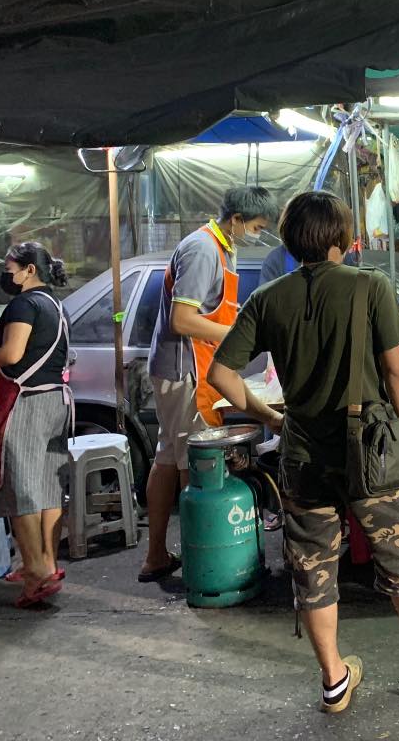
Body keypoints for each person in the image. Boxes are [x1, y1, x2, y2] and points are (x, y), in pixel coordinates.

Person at [207, 191, 399, 713]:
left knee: (314, 568)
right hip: (373, 452)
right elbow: (396, 371)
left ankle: (335, 681)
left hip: (303, 457)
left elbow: (220, 373)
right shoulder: (370, 286)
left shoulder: (269, 297)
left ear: (292, 240)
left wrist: (267, 415)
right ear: (342, 237)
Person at [140, 185, 277, 583]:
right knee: (192, 465)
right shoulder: (203, 249)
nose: (256, 233)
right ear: (235, 219)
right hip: (187, 371)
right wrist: (236, 334)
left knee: (168, 457)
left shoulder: (219, 247)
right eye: (255, 226)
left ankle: (156, 557)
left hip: (185, 368)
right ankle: (201, 563)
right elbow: (182, 321)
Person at [0, 243, 71, 608]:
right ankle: (47, 562)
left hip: (26, 402)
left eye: (10, 267)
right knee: (47, 485)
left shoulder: (23, 304)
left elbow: (12, 355)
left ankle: (34, 574)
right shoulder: (53, 304)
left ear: (29, 270)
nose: (5, 273)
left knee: (21, 489)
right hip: (55, 402)